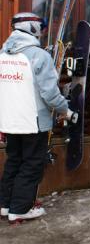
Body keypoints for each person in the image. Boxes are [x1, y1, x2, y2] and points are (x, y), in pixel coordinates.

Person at [0, 13, 76, 222]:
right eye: (40, 26)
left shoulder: (3, 55)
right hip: (33, 122)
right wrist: (66, 111)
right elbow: (50, 94)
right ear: (32, 28)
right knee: (32, 164)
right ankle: (20, 208)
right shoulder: (38, 56)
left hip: (10, 121)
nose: (42, 31)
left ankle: (5, 205)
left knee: (14, 161)